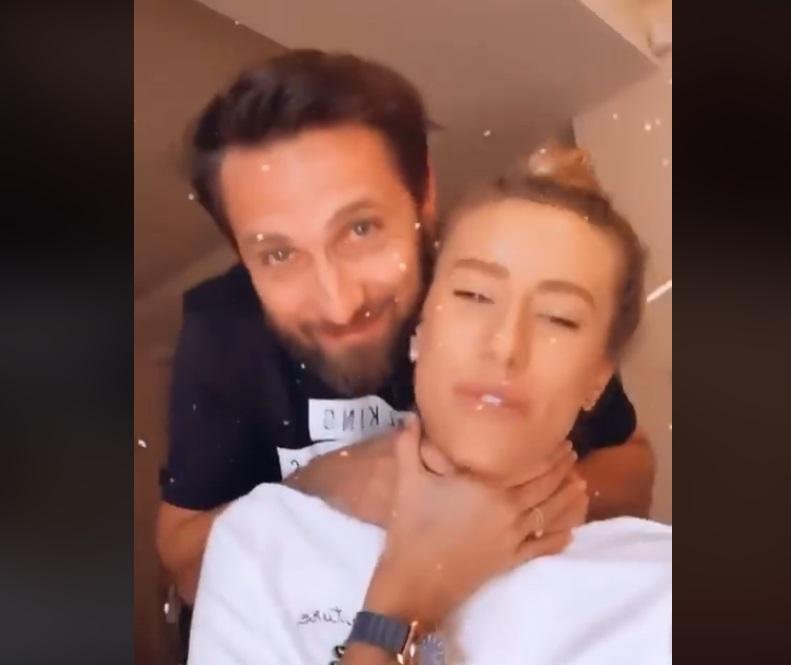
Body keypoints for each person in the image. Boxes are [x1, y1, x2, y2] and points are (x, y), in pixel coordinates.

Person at [155, 49, 654, 618]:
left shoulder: (495, 287)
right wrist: (324, 485)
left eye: (361, 229)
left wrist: (521, 511)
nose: (340, 304)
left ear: (424, 194)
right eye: (278, 255)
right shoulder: (222, 331)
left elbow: (633, 467)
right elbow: (184, 565)